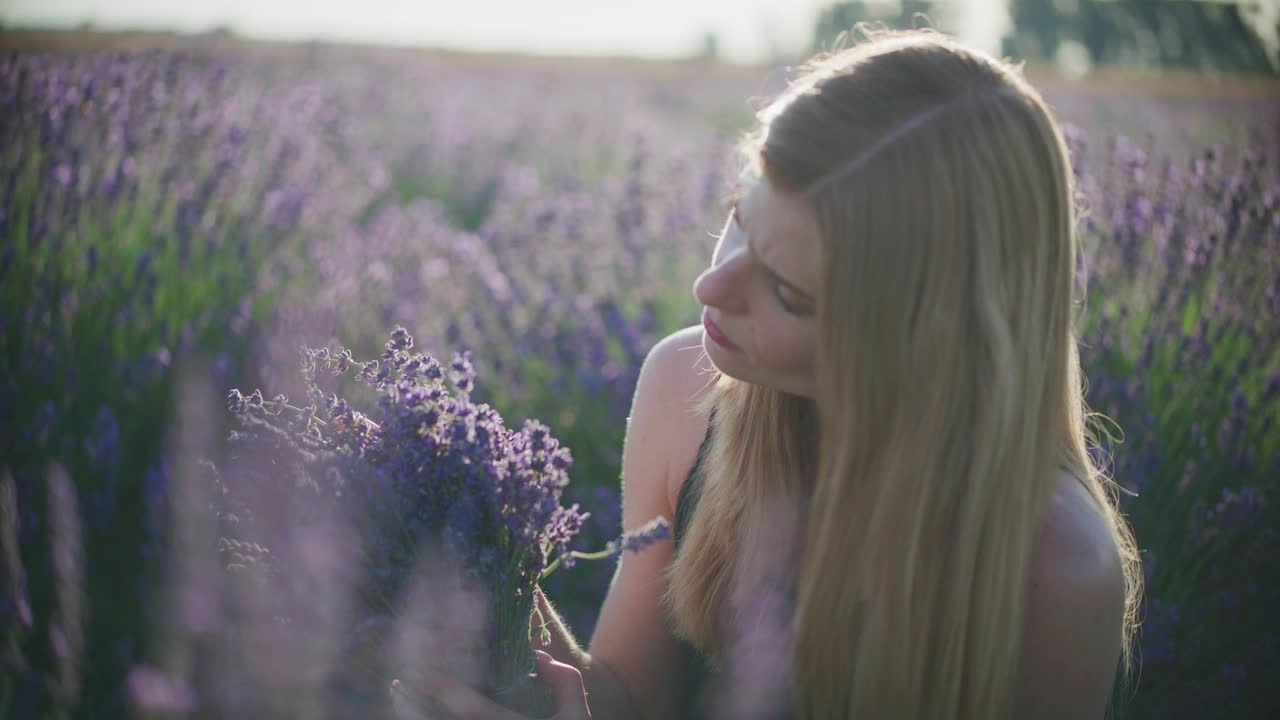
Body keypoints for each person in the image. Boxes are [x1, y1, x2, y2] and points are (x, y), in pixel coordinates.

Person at [421, 25, 1143, 719]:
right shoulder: (686, 390)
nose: (711, 289)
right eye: (740, 213)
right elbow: (631, 697)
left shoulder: (1054, 566)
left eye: (788, 292)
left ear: (920, 339)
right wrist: (494, 597)